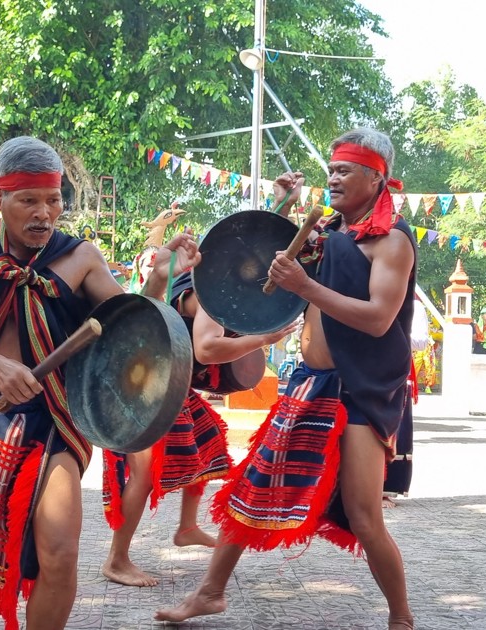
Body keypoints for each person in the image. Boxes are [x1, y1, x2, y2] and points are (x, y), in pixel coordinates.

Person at [0, 136, 200, 630]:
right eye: (28, 200)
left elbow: (127, 325)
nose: (44, 212)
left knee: (61, 552)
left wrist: (156, 283)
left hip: (54, 420)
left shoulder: (81, 257)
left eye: (54, 199)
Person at [157, 128, 416, 629]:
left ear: (376, 178)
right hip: (310, 385)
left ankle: (401, 617)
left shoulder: (391, 241)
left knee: (364, 515)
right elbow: (256, 255)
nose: (334, 179)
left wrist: (305, 285)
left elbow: (379, 318)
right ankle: (209, 592)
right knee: (251, 484)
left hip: (359, 390)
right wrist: (280, 205)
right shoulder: (331, 235)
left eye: (345, 171)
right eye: (332, 170)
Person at [99, 270, 293, 587]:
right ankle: (116, 560)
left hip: (167, 379)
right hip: (142, 382)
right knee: (145, 473)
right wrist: (263, 340)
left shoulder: (208, 284)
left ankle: (187, 527)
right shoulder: (211, 294)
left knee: (208, 442)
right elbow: (206, 349)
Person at [384, 297, 430, 508]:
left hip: (397, 371)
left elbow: (421, 342)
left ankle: (385, 489)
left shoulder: (415, 306)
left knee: (395, 429)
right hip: (366, 365)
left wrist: (385, 329)